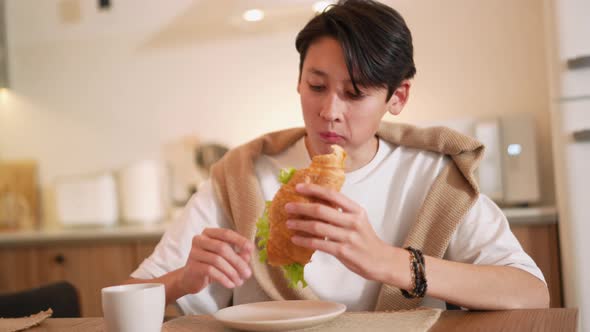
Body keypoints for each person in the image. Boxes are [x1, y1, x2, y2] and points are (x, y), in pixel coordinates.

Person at [125, 0, 549, 314]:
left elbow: (532, 292)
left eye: (354, 93)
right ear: (298, 81)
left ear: (397, 97)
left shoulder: (434, 176)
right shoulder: (242, 176)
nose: (329, 111)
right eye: (316, 86)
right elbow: (127, 296)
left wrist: (388, 261)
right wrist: (183, 280)